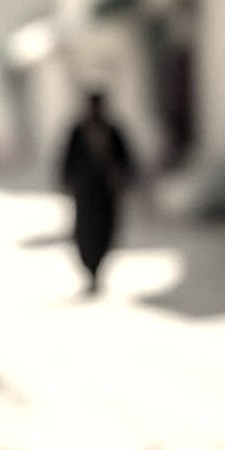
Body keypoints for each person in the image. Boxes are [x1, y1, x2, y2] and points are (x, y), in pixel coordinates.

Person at [59, 89, 136, 295]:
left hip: (106, 195)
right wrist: (68, 182)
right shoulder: (77, 131)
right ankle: (90, 272)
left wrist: (124, 180)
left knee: (106, 233)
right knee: (85, 235)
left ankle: (98, 272)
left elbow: (126, 160)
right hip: (85, 195)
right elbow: (66, 160)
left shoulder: (112, 130)